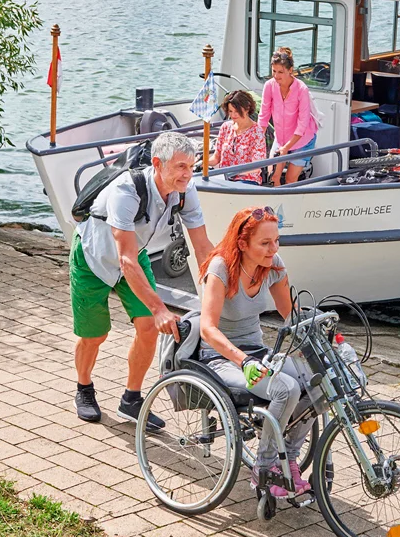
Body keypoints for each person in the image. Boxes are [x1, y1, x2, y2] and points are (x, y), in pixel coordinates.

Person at [71, 130, 213, 425]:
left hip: (135, 256)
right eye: (181, 167)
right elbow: (125, 261)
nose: (188, 174)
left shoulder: (185, 190)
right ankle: (84, 388)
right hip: (93, 257)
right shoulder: (127, 189)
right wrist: (160, 308)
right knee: (95, 335)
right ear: (158, 163)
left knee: (148, 328)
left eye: (191, 166)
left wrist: (221, 292)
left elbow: (202, 248)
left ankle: (131, 400)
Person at [196, 206, 311, 499]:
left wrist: (323, 338)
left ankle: (289, 460)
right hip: (221, 357)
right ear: (243, 244)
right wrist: (243, 360)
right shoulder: (221, 268)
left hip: (256, 350)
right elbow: (207, 329)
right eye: (265, 243)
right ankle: (264, 466)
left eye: (276, 241)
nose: (274, 249)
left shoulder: (273, 265)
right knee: (286, 389)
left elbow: (291, 315)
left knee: (315, 381)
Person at [257, 47, 318, 186]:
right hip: (281, 138)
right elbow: (263, 116)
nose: (276, 76)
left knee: (290, 180)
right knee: (273, 178)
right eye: (274, 71)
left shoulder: (302, 89)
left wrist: (286, 148)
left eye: (280, 72)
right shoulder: (269, 86)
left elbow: (302, 124)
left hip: (302, 140)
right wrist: (257, 140)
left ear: (290, 70)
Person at [212, 89, 267, 183]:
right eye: (230, 111)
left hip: (247, 179)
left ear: (247, 109)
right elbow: (216, 158)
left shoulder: (257, 132)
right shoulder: (225, 127)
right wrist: (202, 163)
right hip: (224, 178)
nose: (233, 115)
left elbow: (256, 167)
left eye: (237, 111)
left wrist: (234, 172)